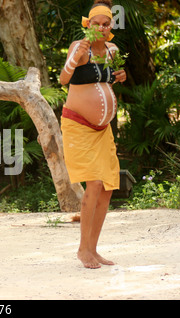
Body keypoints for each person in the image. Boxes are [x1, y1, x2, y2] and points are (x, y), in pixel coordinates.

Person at [59, 0, 127, 269]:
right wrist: (76, 57)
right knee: (95, 183)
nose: (100, 27)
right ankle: (82, 250)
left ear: (110, 27)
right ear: (88, 24)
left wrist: (119, 76)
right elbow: (65, 79)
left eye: (106, 23)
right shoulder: (80, 47)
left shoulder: (112, 50)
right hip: (78, 126)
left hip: (103, 131)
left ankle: (93, 249)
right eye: (96, 23)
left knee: (108, 187)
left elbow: (107, 80)